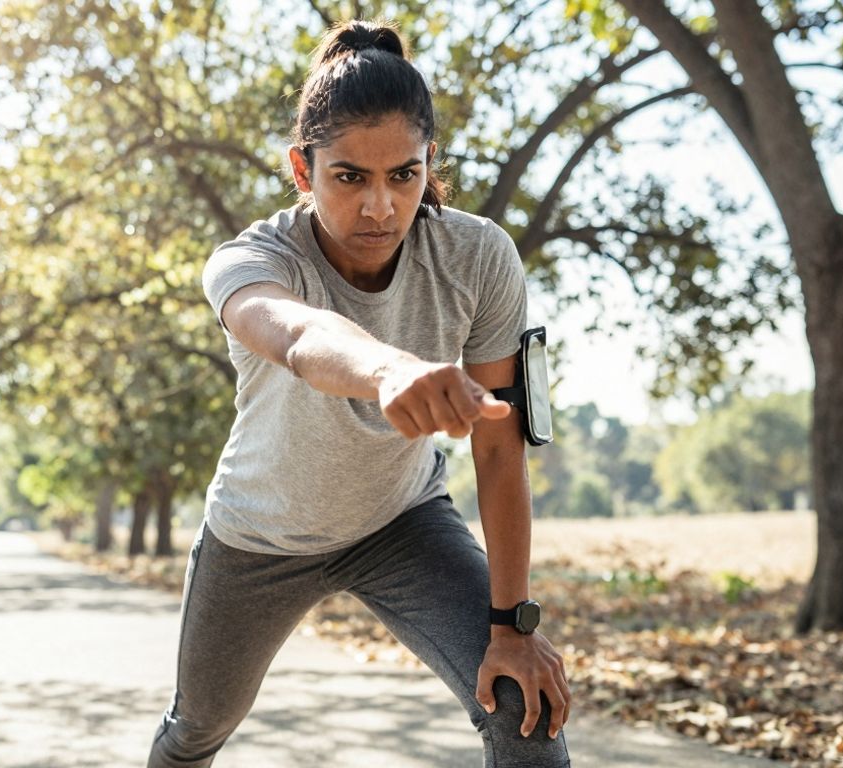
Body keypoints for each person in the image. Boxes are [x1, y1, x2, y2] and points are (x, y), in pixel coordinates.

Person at [147, 18, 572, 768]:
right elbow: (297, 335)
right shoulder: (252, 258)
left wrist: (513, 623)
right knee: (195, 734)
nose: (380, 208)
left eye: (403, 175)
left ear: (428, 161)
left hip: (402, 524)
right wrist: (389, 371)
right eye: (350, 177)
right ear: (303, 169)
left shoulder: (478, 257)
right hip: (259, 537)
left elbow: (502, 447)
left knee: (522, 710)